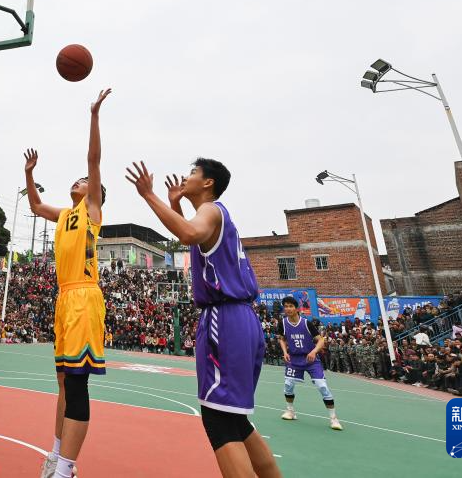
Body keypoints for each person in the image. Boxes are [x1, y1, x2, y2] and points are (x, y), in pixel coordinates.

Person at [127, 158, 280, 478]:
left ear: (208, 183)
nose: (186, 176)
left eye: (193, 172)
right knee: (235, 419)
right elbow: (191, 235)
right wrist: (175, 204)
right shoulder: (215, 217)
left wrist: (148, 195)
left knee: (218, 421)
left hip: (224, 320)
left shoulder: (211, 210)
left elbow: (188, 232)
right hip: (242, 319)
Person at [26, 88, 110, 478]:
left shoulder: (91, 210)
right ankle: (57, 453)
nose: (78, 181)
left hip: (84, 298)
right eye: (77, 179)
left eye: (84, 180)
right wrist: (29, 174)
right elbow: (35, 205)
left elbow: (93, 160)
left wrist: (93, 115)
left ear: (94, 192)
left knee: (76, 385)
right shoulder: (63, 215)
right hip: (64, 299)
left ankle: (65, 468)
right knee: (62, 383)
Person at [276, 296, 342, 430]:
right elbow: (281, 338)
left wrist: (314, 352)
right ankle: (290, 411)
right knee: (288, 385)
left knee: (322, 386)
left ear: (297, 308)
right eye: (286, 306)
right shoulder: (282, 323)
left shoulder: (306, 323)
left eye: (291, 306)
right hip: (294, 359)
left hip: (310, 359)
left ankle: (334, 419)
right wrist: (285, 352)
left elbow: (321, 340)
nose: (288, 309)